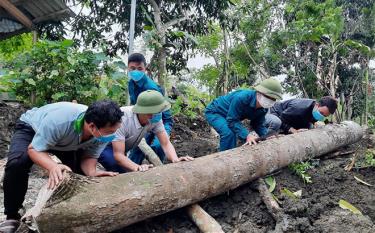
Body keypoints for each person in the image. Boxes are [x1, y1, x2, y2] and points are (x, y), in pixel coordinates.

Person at [0, 100, 123, 233]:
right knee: (17, 164)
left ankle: (74, 214)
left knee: (79, 177)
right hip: (32, 129)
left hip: (68, 141)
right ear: (92, 126)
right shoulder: (59, 121)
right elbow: (34, 149)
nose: (112, 135)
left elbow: (89, 157)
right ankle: (12, 215)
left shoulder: (101, 133)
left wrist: (92, 172)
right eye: (110, 131)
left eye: (114, 131)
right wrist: (53, 166)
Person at [98, 90, 193, 173]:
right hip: (105, 146)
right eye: (154, 112)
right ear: (143, 111)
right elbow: (118, 154)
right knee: (118, 168)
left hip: (124, 148)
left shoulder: (155, 117)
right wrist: (137, 167)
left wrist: (176, 160)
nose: (158, 114)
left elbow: (165, 143)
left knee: (130, 170)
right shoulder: (122, 119)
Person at [205, 78, 283, 151]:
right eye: (268, 97)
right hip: (216, 112)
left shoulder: (264, 108)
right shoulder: (242, 98)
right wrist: (247, 135)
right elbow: (232, 120)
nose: (270, 100)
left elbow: (257, 124)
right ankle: (224, 161)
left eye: (273, 99)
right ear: (259, 93)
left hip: (231, 116)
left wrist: (267, 135)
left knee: (236, 133)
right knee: (229, 133)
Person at [127, 53, 173, 163]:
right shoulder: (131, 83)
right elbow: (135, 104)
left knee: (158, 146)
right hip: (144, 116)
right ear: (128, 68)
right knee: (137, 147)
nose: (136, 71)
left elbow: (156, 115)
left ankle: (159, 171)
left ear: (145, 69)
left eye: (139, 68)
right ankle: (131, 171)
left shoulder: (151, 88)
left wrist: (146, 129)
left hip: (160, 117)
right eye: (132, 68)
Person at [264, 96, 338, 134]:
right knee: (277, 124)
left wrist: (328, 123)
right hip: (275, 114)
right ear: (317, 105)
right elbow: (281, 119)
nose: (322, 116)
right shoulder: (299, 108)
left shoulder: (317, 110)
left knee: (310, 127)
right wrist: (292, 130)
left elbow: (324, 119)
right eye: (321, 113)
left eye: (325, 115)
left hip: (296, 119)